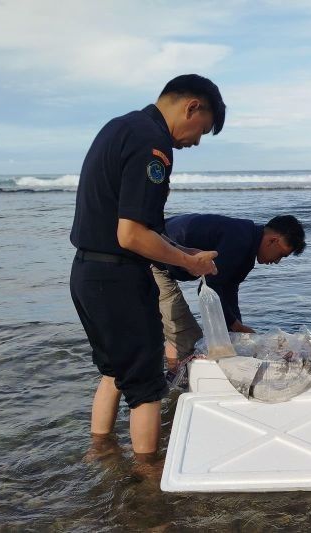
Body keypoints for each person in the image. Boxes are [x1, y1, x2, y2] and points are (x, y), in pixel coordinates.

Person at [70, 74, 226, 462]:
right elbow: (132, 234)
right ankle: (147, 480)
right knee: (147, 386)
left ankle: (100, 452)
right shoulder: (153, 143)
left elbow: (138, 225)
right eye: (201, 130)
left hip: (87, 273)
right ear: (192, 107)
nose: (195, 141)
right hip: (118, 278)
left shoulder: (120, 127)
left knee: (114, 372)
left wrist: (182, 248)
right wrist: (189, 262)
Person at [151, 213, 306, 366]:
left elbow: (229, 291)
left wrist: (237, 333)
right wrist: (238, 327)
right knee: (190, 339)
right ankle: (186, 384)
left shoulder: (247, 242)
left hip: (166, 252)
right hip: (153, 257)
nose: (277, 261)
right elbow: (209, 288)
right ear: (272, 241)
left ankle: (173, 377)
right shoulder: (240, 241)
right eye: (281, 255)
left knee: (179, 332)